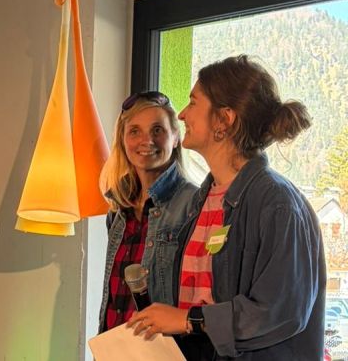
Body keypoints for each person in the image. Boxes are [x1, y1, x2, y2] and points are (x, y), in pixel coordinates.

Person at [127, 55, 325, 360]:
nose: (182, 114)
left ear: (224, 119)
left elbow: (281, 312)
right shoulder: (203, 199)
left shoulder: (278, 203)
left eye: (193, 102)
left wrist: (188, 319)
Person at [97, 91, 198, 333]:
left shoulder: (193, 204)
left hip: (160, 345)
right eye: (135, 131)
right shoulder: (119, 209)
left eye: (157, 130)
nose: (147, 141)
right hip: (114, 343)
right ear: (123, 139)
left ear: (176, 137)